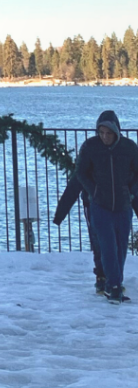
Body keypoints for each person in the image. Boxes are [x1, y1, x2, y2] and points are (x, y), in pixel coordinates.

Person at [73, 110, 138, 304]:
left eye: (108, 133)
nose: (105, 137)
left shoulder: (129, 147)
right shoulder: (90, 147)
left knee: (120, 246)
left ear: (116, 131)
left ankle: (114, 281)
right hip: (100, 205)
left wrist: (131, 191)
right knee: (107, 244)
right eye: (101, 133)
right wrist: (93, 191)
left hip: (123, 204)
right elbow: (81, 172)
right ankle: (114, 286)